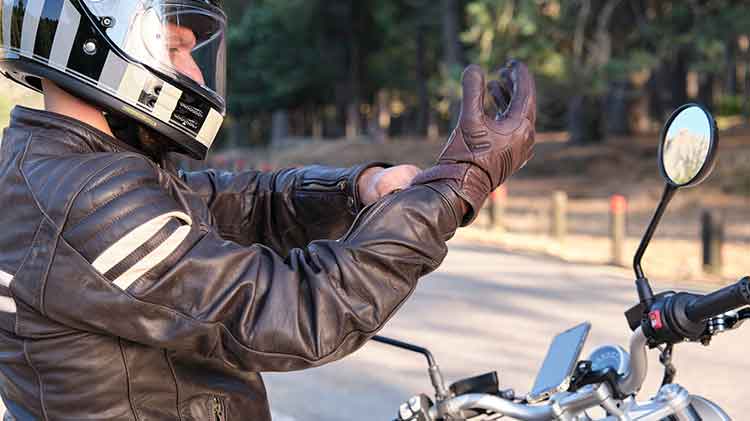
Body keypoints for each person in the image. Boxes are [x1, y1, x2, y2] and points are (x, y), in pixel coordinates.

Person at [0, 0, 536, 419]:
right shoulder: (82, 197)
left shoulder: (53, 167)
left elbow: (237, 203)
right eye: (172, 47)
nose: (196, 74)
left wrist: (357, 189)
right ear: (93, 44)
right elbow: (305, 312)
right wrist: (457, 185)